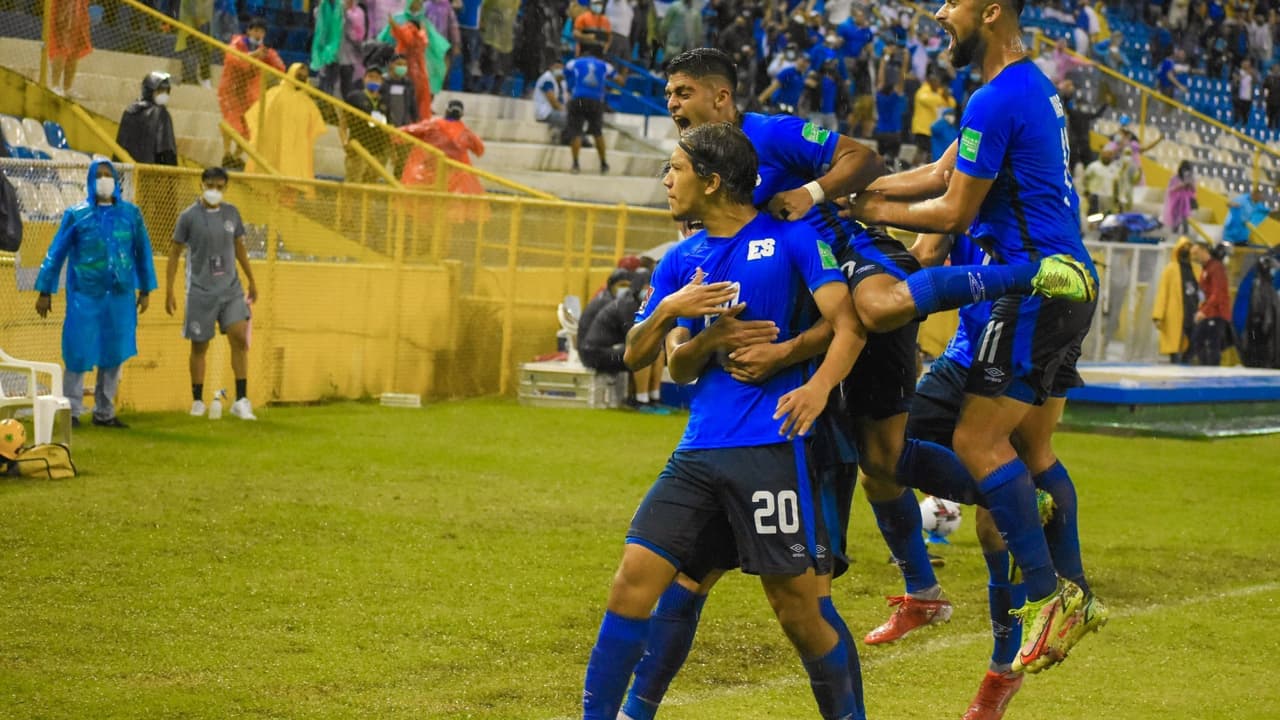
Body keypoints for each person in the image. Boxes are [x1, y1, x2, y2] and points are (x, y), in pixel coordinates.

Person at [614, 47, 1097, 720]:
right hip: (727, 438)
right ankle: (935, 576)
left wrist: (820, 204)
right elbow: (664, 357)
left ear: (722, 100)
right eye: (667, 94)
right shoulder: (700, 240)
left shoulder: (780, 173)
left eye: (683, 92)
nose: (671, 105)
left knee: (811, 578)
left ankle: (990, 565)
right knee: (871, 465)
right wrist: (693, 326)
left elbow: (853, 293)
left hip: (833, 331)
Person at [843, 0, 1104, 674]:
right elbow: (937, 177)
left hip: (1029, 288)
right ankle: (1068, 590)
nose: (938, 14)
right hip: (1057, 283)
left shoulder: (997, 97)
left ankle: (1049, 595)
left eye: (952, 4)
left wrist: (867, 207)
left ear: (989, 11)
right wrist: (855, 194)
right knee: (1028, 450)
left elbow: (953, 209)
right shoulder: (1027, 87)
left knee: (973, 441)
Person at [581, 120, 865, 720]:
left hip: (769, 445)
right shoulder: (681, 260)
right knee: (632, 581)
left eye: (676, 169)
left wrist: (814, 387)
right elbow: (648, 360)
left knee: (798, 612)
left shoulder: (791, 239)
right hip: (698, 450)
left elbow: (848, 325)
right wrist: (690, 324)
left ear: (711, 182)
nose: (666, 180)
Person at [34, 160, 157, 429]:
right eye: (99, 175)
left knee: (114, 352)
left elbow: (142, 253)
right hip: (85, 296)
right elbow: (56, 253)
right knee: (77, 352)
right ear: (90, 180)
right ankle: (71, 411)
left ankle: (105, 412)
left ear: (116, 180)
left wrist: (146, 287)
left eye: (108, 175)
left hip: (120, 296)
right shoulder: (77, 215)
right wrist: (45, 289)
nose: (104, 180)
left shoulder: (131, 215)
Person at [165, 167, 259, 421]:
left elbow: (239, 247)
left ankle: (241, 399)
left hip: (230, 289)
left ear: (225, 188)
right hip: (200, 291)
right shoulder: (188, 216)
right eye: (210, 185)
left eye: (219, 186)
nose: (214, 190)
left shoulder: (231, 214)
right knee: (199, 346)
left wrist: (251, 279)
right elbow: (174, 253)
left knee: (239, 337)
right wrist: (169, 290)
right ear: (202, 184)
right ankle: (197, 400)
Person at [399, 100, 487, 222]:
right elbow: (480, 150)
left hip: (428, 172)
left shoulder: (433, 125)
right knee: (444, 209)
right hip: (452, 178)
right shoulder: (466, 133)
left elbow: (404, 132)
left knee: (423, 206)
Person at [217, 18, 286, 169]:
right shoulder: (237, 43)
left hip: (249, 93)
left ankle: (235, 157)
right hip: (231, 89)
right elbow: (233, 59)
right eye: (255, 30)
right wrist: (255, 55)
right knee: (230, 121)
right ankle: (226, 153)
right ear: (248, 31)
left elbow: (281, 68)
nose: (258, 34)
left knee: (249, 127)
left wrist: (269, 58)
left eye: (261, 31)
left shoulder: (265, 51)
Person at [245, 63, 328, 181]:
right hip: (273, 142)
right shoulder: (276, 93)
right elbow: (260, 115)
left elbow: (313, 124)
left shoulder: (306, 101)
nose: (301, 79)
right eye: (298, 76)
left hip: (295, 145)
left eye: (304, 77)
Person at [564, 46, 615, 175]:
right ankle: (603, 164)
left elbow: (566, 75)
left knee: (576, 131)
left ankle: (575, 164)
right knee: (597, 132)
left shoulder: (574, 62)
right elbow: (618, 78)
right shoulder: (604, 65)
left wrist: (571, 88)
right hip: (595, 100)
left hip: (578, 98)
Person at [1153, 237, 1200, 363]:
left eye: (1188, 248)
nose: (1185, 250)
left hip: (1194, 313)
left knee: (1192, 345)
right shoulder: (1170, 269)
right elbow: (1163, 293)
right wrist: (1158, 316)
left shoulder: (1197, 269)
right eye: (1183, 248)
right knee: (1175, 346)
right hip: (1175, 314)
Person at [342, 66, 392, 183]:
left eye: (377, 78)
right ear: (364, 79)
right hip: (359, 149)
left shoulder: (385, 101)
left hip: (379, 150)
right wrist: (344, 141)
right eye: (370, 76)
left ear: (381, 81)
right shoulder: (354, 97)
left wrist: (391, 151)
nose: (373, 80)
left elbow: (389, 126)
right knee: (354, 183)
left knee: (371, 184)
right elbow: (343, 123)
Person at [116, 72, 178, 165]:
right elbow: (166, 150)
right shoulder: (160, 113)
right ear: (149, 91)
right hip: (150, 174)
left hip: (127, 170)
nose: (164, 94)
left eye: (166, 91)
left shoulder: (130, 111)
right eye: (160, 91)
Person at [1189, 240, 1232, 366]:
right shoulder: (1206, 269)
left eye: (1196, 253)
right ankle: (1207, 368)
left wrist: (1204, 311)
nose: (1194, 257)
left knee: (1210, 343)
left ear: (1204, 251)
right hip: (1210, 312)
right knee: (1201, 341)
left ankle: (1211, 370)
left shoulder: (1215, 268)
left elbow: (1217, 293)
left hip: (1216, 313)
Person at [388, 15, 433, 121]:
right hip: (421, 75)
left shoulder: (410, 32)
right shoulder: (422, 38)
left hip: (408, 76)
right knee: (419, 106)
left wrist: (393, 25)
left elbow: (405, 37)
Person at [383, 53, 421, 178]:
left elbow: (413, 106)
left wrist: (415, 124)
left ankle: (396, 189)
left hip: (403, 129)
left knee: (402, 162)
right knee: (381, 160)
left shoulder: (408, 84)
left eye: (405, 65)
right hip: (385, 128)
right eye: (399, 64)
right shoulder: (383, 82)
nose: (402, 67)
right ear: (391, 65)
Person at [911, 66, 956, 160]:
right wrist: (944, 99)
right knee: (922, 152)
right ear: (929, 80)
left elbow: (952, 104)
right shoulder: (922, 91)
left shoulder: (940, 91)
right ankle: (913, 168)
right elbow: (930, 101)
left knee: (931, 154)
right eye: (934, 79)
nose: (937, 82)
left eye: (938, 80)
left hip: (935, 130)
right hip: (922, 129)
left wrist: (946, 98)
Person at [49, 0, 91, 97]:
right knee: (61, 46)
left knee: (75, 49)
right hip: (63, 8)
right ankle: (55, 85)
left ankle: (67, 88)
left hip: (78, 10)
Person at [310, 0, 345, 96]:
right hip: (323, 48)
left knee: (331, 81)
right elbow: (320, 29)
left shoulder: (341, 6)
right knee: (324, 79)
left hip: (338, 49)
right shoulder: (321, 7)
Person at [338, 0, 368, 98]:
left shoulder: (359, 13)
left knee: (347, 88)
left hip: (349, 57)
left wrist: (348, 22)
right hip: (332, 57)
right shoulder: (335, 9)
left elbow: (358, 37)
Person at [534, 59, 568, 143]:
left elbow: (563, 100)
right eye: (557, 67)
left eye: (561, 68)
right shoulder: (547, 78)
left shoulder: (561, 81)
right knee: (570, 118)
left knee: (575, 117)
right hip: (545, 113)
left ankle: (567, 138)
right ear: (551, 67)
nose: (559, 70)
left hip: (555, 112)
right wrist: (565, 111)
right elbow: (553, 102)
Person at [1084, 143, 1123, 215]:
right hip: (1095, 199)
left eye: (1110, 154)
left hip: (1110, 200)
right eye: (1105, 154)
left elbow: (1117, 185)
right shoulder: (1093, 166)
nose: (1107, 156)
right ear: (1102, 154)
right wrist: (1087, 194)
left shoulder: (1116, 169)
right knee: (1093, 221)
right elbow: (1085, 181)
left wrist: (1118, 200)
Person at [1163, 161, 1197, 236]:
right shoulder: (1174, 178)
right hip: (1176, 203)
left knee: (1185, 221)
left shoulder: (1191, 178)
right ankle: (1174, 235)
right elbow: (1170, 190)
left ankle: (1185, 237)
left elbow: (1194, 191)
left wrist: (1190, 185)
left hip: (1185, 203)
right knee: (1175, 222)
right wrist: (1180, 186)